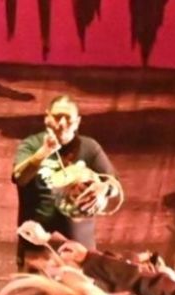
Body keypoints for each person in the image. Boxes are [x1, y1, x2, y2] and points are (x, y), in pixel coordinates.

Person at [11, 95, 119, 270]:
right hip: (37, 247)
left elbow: (115, 184)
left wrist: (104, 188)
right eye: (57, 116)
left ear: (77, 122)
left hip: (80, 250)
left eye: (67, 118)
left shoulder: (90, 147)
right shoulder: (32, 144)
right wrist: (43, 153)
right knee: (35, 288)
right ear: (47, 117)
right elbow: (19, 177)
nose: (61, 123)